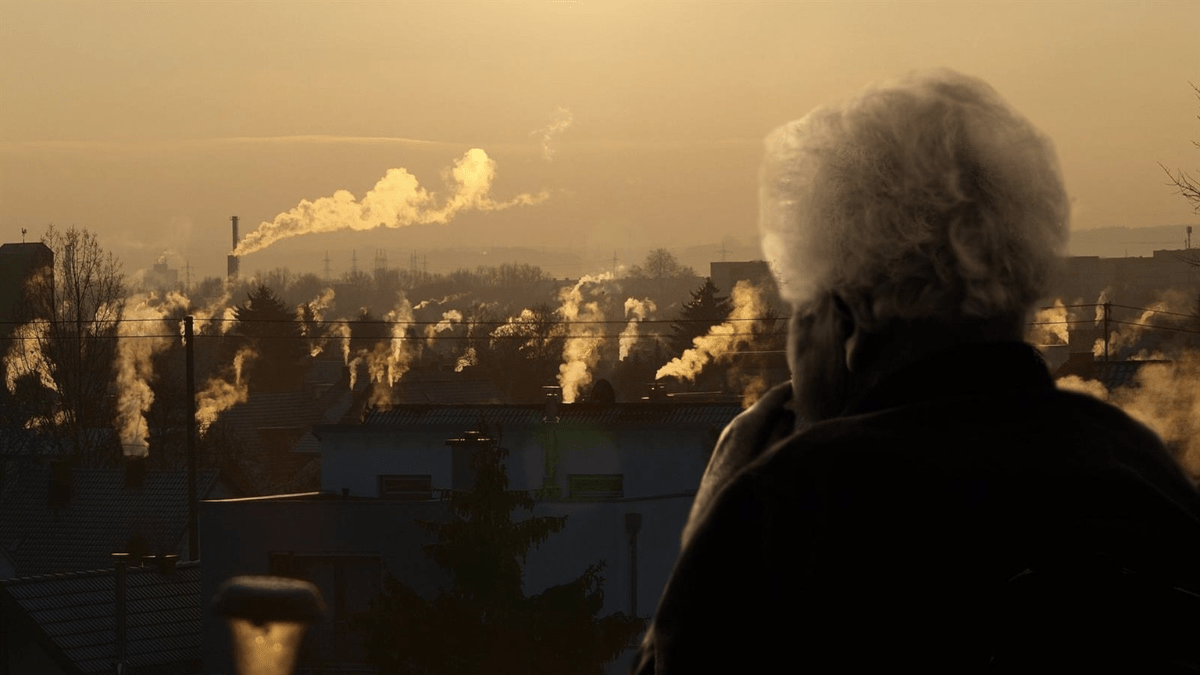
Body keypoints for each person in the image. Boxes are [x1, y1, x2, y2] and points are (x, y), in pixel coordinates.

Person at [631, 69, 1200, 673]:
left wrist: (720, 501)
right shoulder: (1141, 471)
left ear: (848, 325)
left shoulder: (797, 503)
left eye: (799, 313)